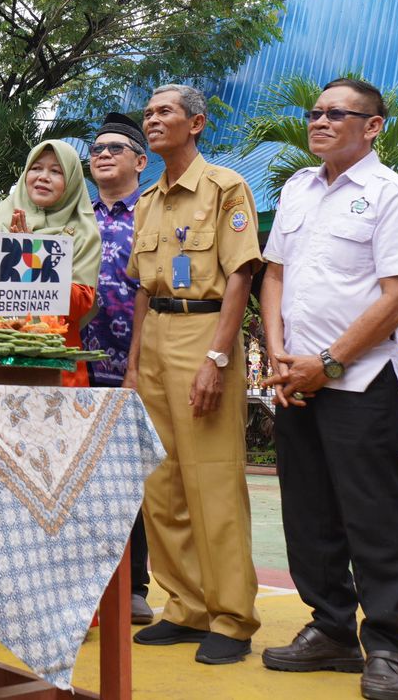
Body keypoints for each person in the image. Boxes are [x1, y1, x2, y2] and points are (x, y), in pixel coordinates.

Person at [259, 78, 398, 700]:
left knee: (373, 516)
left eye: (337, 113)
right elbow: (273, 275)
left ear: (374, 125)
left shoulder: (394, 197)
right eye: (316, 113)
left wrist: (326, 363)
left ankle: (385, 645)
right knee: (308, 512)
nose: (321, 121)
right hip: (294, 375)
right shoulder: (297, 189)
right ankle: (329, 628)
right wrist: (276, 350)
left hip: (358, 381)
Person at [123, 84, 263, 665]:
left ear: (196, 122)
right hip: (155, 336)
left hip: (204, 335)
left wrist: (218, 357)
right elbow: (141, 289)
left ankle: (231, 616)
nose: (153, 121)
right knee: (163, 480)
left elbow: (241, 275)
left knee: (211, 477)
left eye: (165, 113)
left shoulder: (225, 187)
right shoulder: (147, 199)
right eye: (149, 113)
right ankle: (185, 607)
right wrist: (132, 364)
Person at [80, 112, 156, 624]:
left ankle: (134, 584)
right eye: (97, 148)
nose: (103, 154)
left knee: (132, 478)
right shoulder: (75, 216)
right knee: (82, 478)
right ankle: (84, 585)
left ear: (140, 161)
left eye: (115, 147)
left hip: (139, 364)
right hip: (78, 364)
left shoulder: (153, 212)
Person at [0, 138, 100, 327]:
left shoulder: (84, 232)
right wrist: (8, 256)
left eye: (56, 171)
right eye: (36, 168)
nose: (43, 177)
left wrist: (29, 256)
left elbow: (81, 305)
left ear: (71, 180)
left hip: (54, 346)